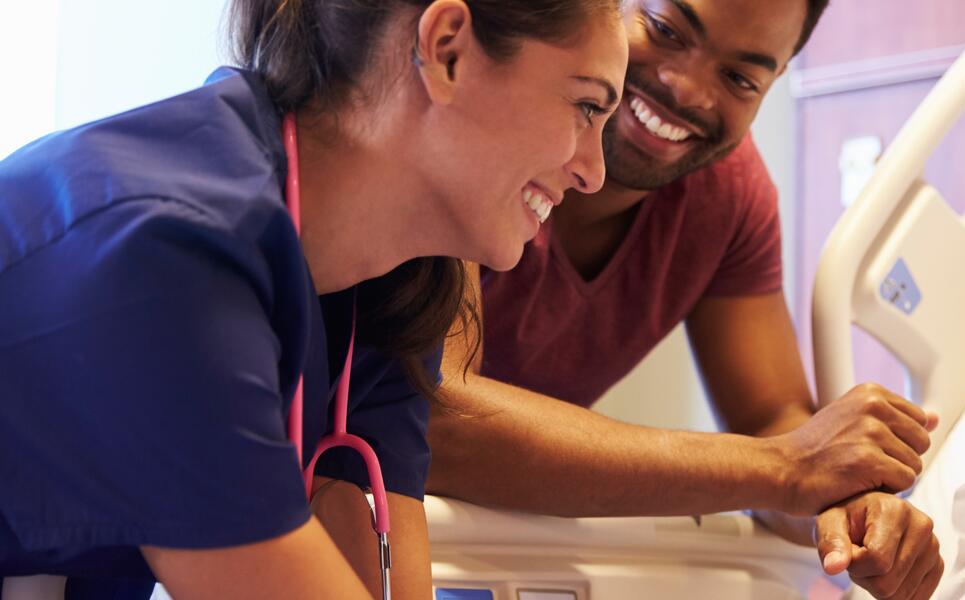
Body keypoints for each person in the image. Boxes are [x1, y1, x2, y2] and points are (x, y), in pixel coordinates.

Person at [0, 0, 626, 598]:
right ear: (448, 51)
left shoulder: (384, 285)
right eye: (587, 106)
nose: (594, 172)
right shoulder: (166, 253)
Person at [425, 0, 945, 598]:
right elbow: (441, 419)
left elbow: (775, 422)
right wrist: (785, 469)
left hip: (481, 546)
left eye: (740, 78)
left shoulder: (727, 197)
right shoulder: (474, 112)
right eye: (666, 30)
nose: (685, 88)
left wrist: (845, 506)